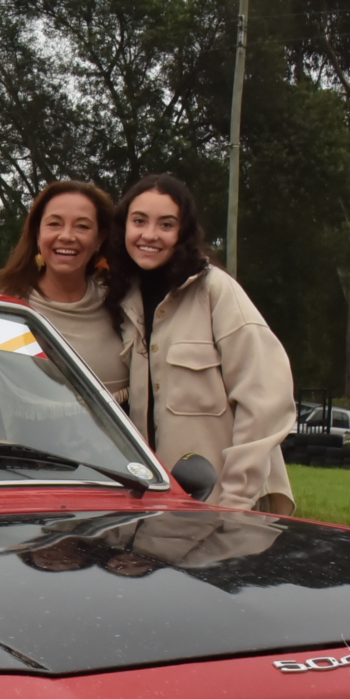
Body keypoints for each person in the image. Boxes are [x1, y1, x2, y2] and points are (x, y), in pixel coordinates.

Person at [110, 174, 295, 513]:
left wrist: (237, 499)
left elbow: (267, 398)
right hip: (163, 508)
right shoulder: (125, 301)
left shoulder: (216, 291)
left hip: (229, 507)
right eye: (139, 221)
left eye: (166, 224)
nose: (149, 235)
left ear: (183, 232)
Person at [0, 181, 130, 404]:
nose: (66, 236)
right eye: (54, 224)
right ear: (37, 234)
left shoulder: (123, 303)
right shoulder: (7, 309)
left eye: (82, 226)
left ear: (99, 239)